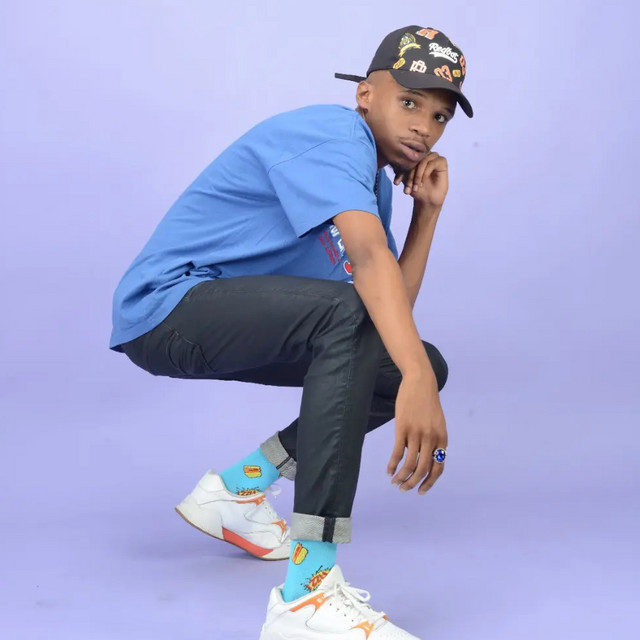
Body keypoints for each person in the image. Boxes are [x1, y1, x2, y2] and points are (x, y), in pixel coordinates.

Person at [109, 24, 473, 640]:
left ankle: (238, 491)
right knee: (391, 348)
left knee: (418, 360)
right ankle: (306, 596)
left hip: (219, 321)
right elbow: (367, 271)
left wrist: (426, 216)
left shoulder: (370, 187)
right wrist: (413, 376)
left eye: (439, 116)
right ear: (365, 95)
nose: (423, 127)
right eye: (409, 102)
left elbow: (387, 318)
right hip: (169, 308)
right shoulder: (334, 135)